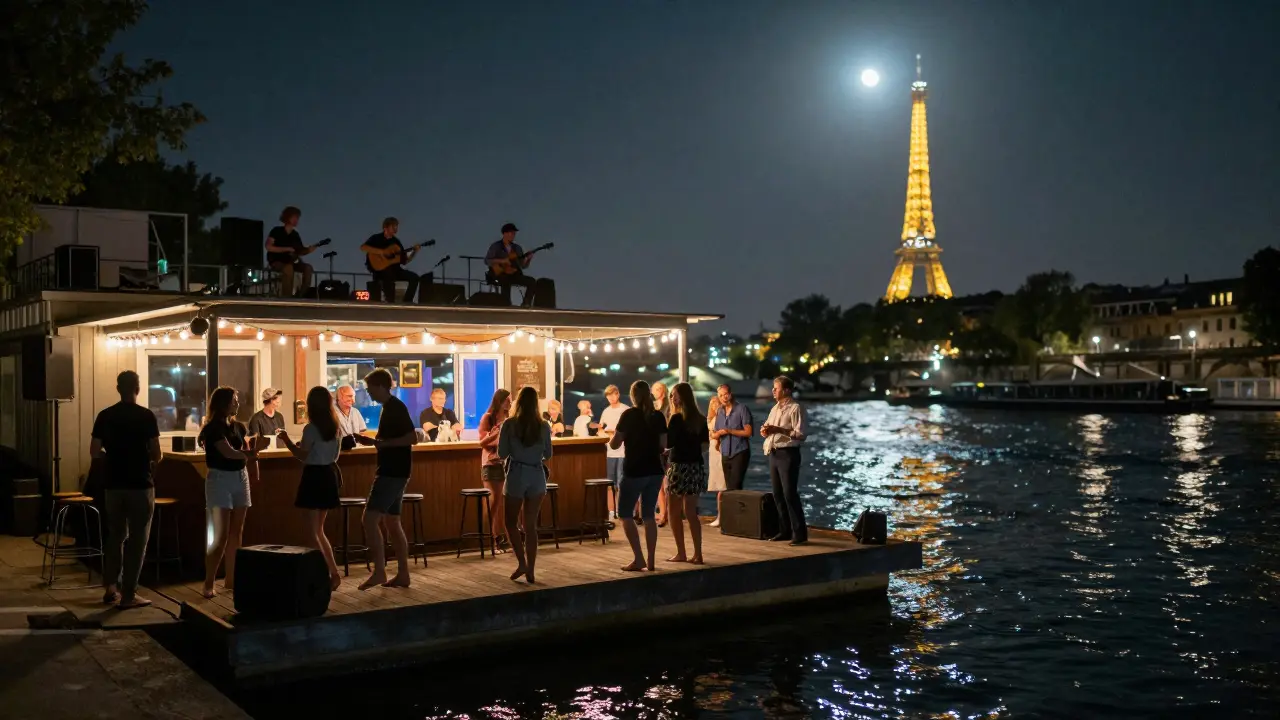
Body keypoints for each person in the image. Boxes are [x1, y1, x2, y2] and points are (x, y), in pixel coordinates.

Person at [90, 371, 161, 609]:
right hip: (140, 484)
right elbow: (157, 453)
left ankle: (111, 587)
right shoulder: (146, 416)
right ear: (138, 388)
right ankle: (129, 594)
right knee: (138, 540)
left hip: (113, 485)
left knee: (116, 537)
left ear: (118, 387)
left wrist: (113, 459)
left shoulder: (105, 416)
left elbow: (94, 451)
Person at [276, 386, 343, 590]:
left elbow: (302, 455)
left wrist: (287, 440)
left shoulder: (311, 428)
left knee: (312, 531)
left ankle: (324, 572)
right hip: (329, 474)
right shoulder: (335, 427)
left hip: (314, 476)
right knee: (318, 530)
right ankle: (331, 571)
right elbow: (332, 454)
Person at [355, 369, 416, 590]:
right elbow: (393, 439)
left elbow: (412, 438)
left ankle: (380, 571)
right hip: (398, 471)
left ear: (381, 386)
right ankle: (403, 574)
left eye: (370, 389)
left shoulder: (395, 408)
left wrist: (383, 444)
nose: (369, 394)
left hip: (391, 472)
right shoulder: (390, 408)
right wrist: (372, 441)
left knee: (369, 519)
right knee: (392, 522)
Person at [198, 387, 261, 598]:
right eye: (234, 400)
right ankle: (209, 582)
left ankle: (231, 580)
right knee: (220, 534)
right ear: (223, 403)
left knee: (237, 531)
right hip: (219, 479)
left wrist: (253, 469)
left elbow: (244, 451)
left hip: (239, 477)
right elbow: (229, 452)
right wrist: (251, 454)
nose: (237, 403)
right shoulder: (213, 429)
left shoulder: (238, 426)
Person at [609, 381, 667, 572]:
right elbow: (662, 446)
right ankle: (650, 561)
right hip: (655, 470)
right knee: (649, 515)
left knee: (625, 514)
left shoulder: (629, 415)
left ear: (633, 396)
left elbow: (615, 444)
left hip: (634, 469)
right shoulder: (657, 416)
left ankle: (638, 558)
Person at [498, 386, 553, 583]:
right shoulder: (544, 425)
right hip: (537, 474)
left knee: (511, 522)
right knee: (530, 525)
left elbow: (502, 453)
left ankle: (521, 562)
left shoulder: (509, 424)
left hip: (517, 473)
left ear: (518, 402)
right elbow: (548, 454)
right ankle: (531, 569)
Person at [761, 375, 809, 545]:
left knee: (790, 493)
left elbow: (801, 434)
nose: (773, 390)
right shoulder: (774, 408)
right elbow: (768, 425)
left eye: (777, 388)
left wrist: (779, 430)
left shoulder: (796, 408)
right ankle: (785, 530)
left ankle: (800, 533)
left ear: (787, 390)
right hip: (774, 453)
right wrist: (766, 430)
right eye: (773, 388)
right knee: (778, 494)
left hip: (788, 453)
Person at [664, 382, 708, 564]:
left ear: (682, 397)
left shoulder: (675, 419)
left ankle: (681, 552)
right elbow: (705, 446)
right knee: (691, 512)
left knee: (673, 511)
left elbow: (668, 442)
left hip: (679, 466)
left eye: (674, 394)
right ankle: (698, 554)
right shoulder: (700, 419)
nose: (672, 398)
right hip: (695, 467)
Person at [478, 389, 512, 550]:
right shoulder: (488, 418)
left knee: (499, 503)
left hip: (504, 464)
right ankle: (488, 540)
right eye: (507, 400)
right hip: (490, 464)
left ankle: (499, 538)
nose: (510, 403)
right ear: (500, 401)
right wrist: (497, 432)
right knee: (491, 503)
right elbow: (483, 442)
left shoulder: (509, 419)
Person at [360, 217, 421, 303]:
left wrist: (414, 252)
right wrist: (382, 252)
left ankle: (407, 301)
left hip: (396, 270)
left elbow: (405, 261)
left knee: (414, 278)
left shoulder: (396, 242)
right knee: (388, 274)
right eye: (394, 226)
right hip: (380, 271)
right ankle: (390, 301)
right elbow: (363, 247)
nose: (396, 228)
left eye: (397, 226)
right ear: (386, 227)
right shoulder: (376, 238)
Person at [265, 206, 319, 297]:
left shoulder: (295, 235)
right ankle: (287, 297)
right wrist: (286, 249)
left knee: (308, 268)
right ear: (288, 217)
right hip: (277, 261)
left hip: (292, 261)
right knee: (288, 268)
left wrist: (309, 250)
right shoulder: (276, 231)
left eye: (298, 218)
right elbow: (268, 246)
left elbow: (300, 251)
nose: (297, 220)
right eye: (295, 217)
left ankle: (301, 295)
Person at [484, 222, 538, 307]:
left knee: (532, 282)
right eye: (511, 233)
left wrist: (528, 260)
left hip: (513, 274)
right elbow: (487, 260)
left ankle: (526, 303)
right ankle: (506, 304)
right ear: (505, 234)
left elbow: (523, 266)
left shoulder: (517, 248)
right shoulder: (496, 246)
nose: (513, 235)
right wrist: (503, 261)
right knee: (505, 280)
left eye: (514, 233)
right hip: (499, 274)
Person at [712, 383, 753, 494]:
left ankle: (739, 510)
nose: (724, 398)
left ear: (731, 394)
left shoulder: (742, 409)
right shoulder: (720, 411)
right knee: (729, 487)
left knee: (736, 486)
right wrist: (716, 436)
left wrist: (729, 431)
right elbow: (715, 432)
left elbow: (748, 432)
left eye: (726, 394)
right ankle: (731, 510)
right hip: (725, 452)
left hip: (740, 451)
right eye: (720, 396)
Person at [598, 385, 629, 520]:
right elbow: (600, 428)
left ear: (618, 394)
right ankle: (611, 510)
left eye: (613, 394)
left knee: (622, 483)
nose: (611, 397)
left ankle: (622, 509)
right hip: (609, 451)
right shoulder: (606, 411)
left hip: (623, 452)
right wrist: (602, 432)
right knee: (610, 484)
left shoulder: (625, 410)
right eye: (608, 395)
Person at [651, 381, 672, 525]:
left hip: (667, 446)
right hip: (655, 446)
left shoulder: (669, 407)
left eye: (659, 389)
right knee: (658, 482)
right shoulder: (652, 407)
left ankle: (668, 513)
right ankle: (662, 512)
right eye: (654, 389)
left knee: (667, 482)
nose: (656, 391)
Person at [705, 394, 728, 526]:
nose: (714, 405)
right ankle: (720, 515)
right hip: (714, 452)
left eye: (716, 403)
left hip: (720, 452)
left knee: (723, 485)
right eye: (712, 403)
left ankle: (722, 516)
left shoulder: (721, 418)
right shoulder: (712, 418)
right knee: (719, 485)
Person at [335, 384, 368, 449]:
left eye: (353, 396)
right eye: (349, 396)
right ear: (340, 397)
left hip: (356, 451)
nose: (353, 400)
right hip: (339, 452)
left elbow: (362, 433)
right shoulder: (332, 413)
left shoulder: (356, 412)